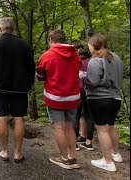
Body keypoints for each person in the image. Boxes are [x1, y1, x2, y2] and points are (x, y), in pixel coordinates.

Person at [0, 17, 35, 163]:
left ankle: (4, 151)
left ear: (0, 29)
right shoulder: (24, 45)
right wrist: (29, 83)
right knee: (19, 119)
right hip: (20, 89)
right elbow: (31, 67)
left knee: (2, 118)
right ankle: (18, 153)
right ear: (14, 29)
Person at [35, 30, 81, 170]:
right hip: (73, 97)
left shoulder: (47, 55)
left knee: (60, 127)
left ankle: (64, 159)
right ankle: (73, 158)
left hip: (55, 98)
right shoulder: (75, 54)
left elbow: (40, 75)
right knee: (70, 127)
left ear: (50, 39)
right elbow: (77, 69)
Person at [80, 35, 123, 172]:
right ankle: (116, 155)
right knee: (111, 127)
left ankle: (108, 161)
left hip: (99, 99)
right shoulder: (116, 58)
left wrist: (82, 77)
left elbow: (92, 83)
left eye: (89, 45)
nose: (88, 47)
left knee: (102, 129)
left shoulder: (95, 60)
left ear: (93, 45)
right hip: (116, 99)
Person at [71, 41, 95, 151]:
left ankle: (74, 143)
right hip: (89, 91)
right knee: (89, 116)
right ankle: (88, 143)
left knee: (75, 116)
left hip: (78, 90)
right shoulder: (92, 61)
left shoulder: (74, 60)